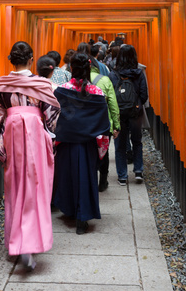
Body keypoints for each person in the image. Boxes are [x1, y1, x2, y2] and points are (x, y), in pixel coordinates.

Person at [0, 41, 61, 271]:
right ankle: (29, 243)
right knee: (36, 185)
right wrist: (49, 133)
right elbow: (52, 113)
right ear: (31, 59)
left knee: (14, 186)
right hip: (35, 132)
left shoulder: (2, 84)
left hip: (12, 132)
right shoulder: (42, 84)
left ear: (12, 60)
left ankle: (16, 241)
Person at [52, 53, 110, 235]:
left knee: (67, 177)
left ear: (71, 69)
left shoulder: (61, 91)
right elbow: (103, 125)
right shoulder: (97, 93)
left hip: (67, 144)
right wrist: (102, 147)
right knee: (86, 178)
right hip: (88, 145)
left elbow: (54, 120)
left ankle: (69, 209)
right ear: (89, 69)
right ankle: (82, 216)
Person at [108, 44, 148, 186]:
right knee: (137, 142)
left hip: (119, 113)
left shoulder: (113, 74)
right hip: (135, 113)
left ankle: (123, 176)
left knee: (120, 145)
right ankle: (138, 171)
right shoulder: (139, 73)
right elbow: (144, 95)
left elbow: (110, 95)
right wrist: (136, 104)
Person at [90, 55, 120, 192]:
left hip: (85, 124)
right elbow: (113, 104)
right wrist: (116, 125)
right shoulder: (105, 80)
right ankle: (103, 181)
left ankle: (89, 180)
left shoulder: (76, 81)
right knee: (104, 152)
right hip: (103, 123)